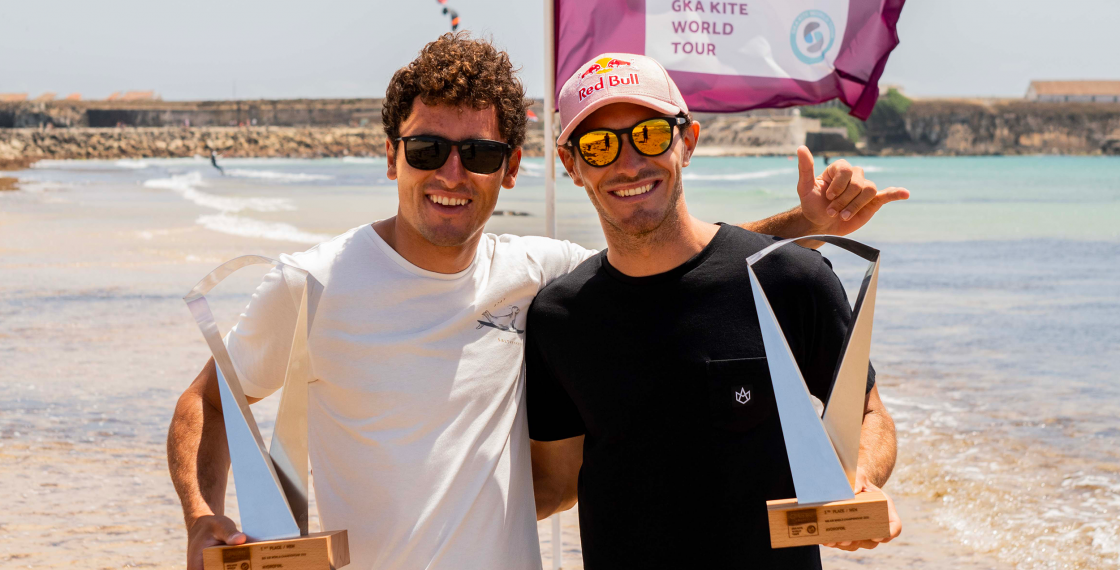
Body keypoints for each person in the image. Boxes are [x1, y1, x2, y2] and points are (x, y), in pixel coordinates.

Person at [166, 34, 907, 570]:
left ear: (513, 169)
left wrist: (804, 225)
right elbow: (208, 400)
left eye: (480, 154)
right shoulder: (312, 284)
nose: (451, 173)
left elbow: (673, 264)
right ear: (391, 154)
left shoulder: (541, 278)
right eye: (427, 150)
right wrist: (205, 522)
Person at [526, 53, 903, 569]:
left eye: (651, 135)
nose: (628, 161)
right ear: (571, 165)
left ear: (688, 141)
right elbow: (553, 481)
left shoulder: (792, 280)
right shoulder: (559, 317)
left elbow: (869, 414)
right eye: (597, 145)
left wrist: (859, 480)